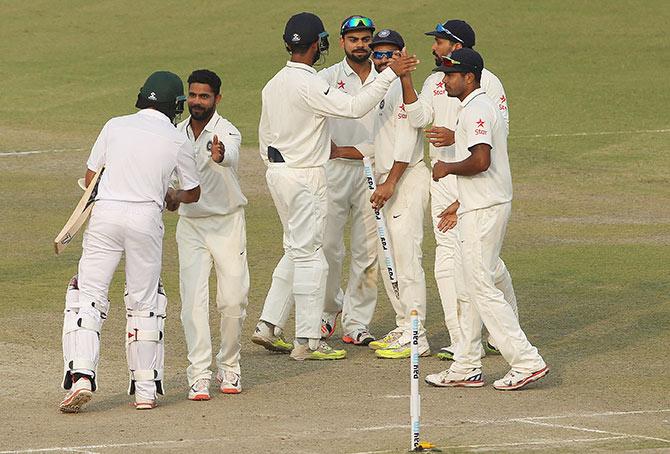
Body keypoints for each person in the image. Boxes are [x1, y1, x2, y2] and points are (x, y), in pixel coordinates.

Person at [251, 12, 419, 361]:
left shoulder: (272, 83)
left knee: (297, 250)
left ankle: (268, 325)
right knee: (314, 255)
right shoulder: (313, 82)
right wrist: (392, 72)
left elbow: (264, 136)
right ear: (321, 44)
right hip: (311, 173)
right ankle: (309, 341)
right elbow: (355, 107)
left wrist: (279, 169)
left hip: (280, 174)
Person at [59, 71, 201, 412]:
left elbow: (92, 177)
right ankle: (146, 391)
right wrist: (173, 195)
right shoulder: (178, 139)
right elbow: (193, 191)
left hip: (106, 215)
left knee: (87, 295)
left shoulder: (115, 125)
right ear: (176, 105)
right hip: (146, 220)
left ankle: (81, 376)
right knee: (144, 300)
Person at [424, 48, 548, 390]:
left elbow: (481, 161)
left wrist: (446, 167)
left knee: (480, 286)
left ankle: (526, 361)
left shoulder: (477, 108)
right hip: (476, 205)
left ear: (469, 77)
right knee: (470, 284)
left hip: (485, 209)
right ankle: (466, 365)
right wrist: (460, 202)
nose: (444, 80)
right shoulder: (472, 108)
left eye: (450, 75)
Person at [400, 19, 513, 361]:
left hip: (475, 179)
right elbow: (419, 117)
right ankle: (463, 340)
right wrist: (405, 79)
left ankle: (497, 334)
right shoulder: (436, 80)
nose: (434, 48)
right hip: (442, 177)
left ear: (458, 46)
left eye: (439, 42)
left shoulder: (488, 84)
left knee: (483, 266)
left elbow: (498, 136)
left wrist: (457, 137)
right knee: (449, 262)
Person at [169, 69, 249, 400]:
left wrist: (220, 155)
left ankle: (229, 366)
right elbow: (171, 178)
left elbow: (230, 153)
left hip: (228, 223)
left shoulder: (226, 131)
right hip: (191, 225)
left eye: (204, 96)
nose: (197, 102)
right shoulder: (174, 133)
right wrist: (171, 195)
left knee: (233, 300)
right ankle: (199, 373)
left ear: (217, 98)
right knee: (192, 302)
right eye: (193, 95)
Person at [363, 29, 431, 359]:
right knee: (387, 254)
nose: (385, 59)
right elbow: (378, 141)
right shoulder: (378, 89)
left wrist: (389, 184)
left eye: (391, 54)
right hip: (385, 183)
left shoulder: (403, 90)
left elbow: (405, 142)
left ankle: (417, 334)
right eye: (379, 54)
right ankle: (403, 325)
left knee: (406, 257)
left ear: (403, 54)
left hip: (405, 181)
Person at [317, 15, 379, 346]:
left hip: (372, 171)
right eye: (354, 39)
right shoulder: (325, 78)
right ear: (342, 42)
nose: (360, 45)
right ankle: (328, 310)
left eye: (365, 39)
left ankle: (357, 322)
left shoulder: (387, 79)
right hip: (333, 170)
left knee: (368, 252)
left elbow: (393, 132)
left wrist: (352, 149)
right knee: (327, 246)